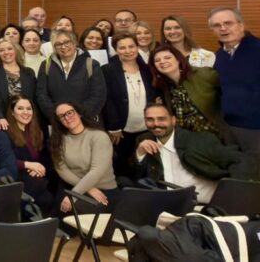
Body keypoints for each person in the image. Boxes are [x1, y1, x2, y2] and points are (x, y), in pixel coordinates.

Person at [134, 104, 258, 204]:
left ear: (173, 120)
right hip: (171, 205)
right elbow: (135, 178)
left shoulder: (199, 141)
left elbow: (242, 160)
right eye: (150, 119)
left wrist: (236, 194)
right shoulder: (144, 141)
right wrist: (140, 154)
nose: (156, 124)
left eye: (161, 119)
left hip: (208, 205)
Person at [102, 32, 158, 178]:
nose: (128, 51)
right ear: (116, 50)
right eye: (122, 48)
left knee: (143, 163)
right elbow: (107, 100)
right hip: (121, 129)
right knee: (122, 165)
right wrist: (113, 127)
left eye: (131, 46)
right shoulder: (108, 70)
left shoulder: (147, 69)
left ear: (137, 47)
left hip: (146, 127)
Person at [210, 7, 260, 162]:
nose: (223, 28)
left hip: (255, 129)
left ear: (241, 25)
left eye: (228, 23)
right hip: (229, 127)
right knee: (236, 170)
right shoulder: (219, 55)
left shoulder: (257, 49)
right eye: (217, 25)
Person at [52, 103, 118, 214]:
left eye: (70, 112)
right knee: (58, 206)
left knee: (75, 210)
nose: (67, 117)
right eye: (62, 116)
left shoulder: (99, 136)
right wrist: (87, 189)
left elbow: (97, 171)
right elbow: (62, 169)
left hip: (104, 190)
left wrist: (74, 195)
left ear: (79, 113)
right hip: (76, 187)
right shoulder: (58, 140)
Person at [150, 44, 223, 137]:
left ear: (178, 59)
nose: (162, 62)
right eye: (157, 60)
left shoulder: (202, 74)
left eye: (167, 58)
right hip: (187, 139)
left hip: (215, 135)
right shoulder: (165, 87)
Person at [36, 30, 106, 125]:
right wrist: (57, 116)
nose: (63, 47)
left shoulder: (91, 64)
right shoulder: (46, 65)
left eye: (67, 42)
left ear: (75, 43)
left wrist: (79, 116)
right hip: (57, 122)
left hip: (86, 121)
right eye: (58, 44)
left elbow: (98, 95)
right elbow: (42, 94)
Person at [2, 94, 54, 215]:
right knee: (42, 194)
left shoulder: (36, 131)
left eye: (28, 108)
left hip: (35, 176)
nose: (25, 112)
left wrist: (39, 168)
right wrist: (28, 165)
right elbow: (3, 161)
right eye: (20, 108)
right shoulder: (4, 133)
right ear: (12, 112)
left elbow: (42, 158)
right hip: (16, 177)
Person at [0, 38, 37, 128]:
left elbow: (33, 99)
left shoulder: (29, 72)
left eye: (10, 49)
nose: (6, 52)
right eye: (1, 50)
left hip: (26, 119)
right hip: (3, 120)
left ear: (16, 50)